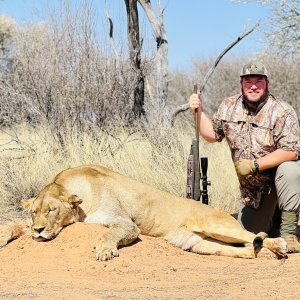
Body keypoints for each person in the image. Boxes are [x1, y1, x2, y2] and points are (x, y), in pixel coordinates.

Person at [189, 61, 300, 253]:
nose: (254, 86)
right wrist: (198, 111)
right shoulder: (228, 106)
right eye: (248, 81)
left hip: (279, 183)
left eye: (259, 81)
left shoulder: (282, 110)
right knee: (246, 234)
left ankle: (289, 233)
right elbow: (212, 135)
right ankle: (273, 221)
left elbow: (292, 151)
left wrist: (255, 165)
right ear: (242, 84)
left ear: (267, 83)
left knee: (290, 169)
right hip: (254, 194)